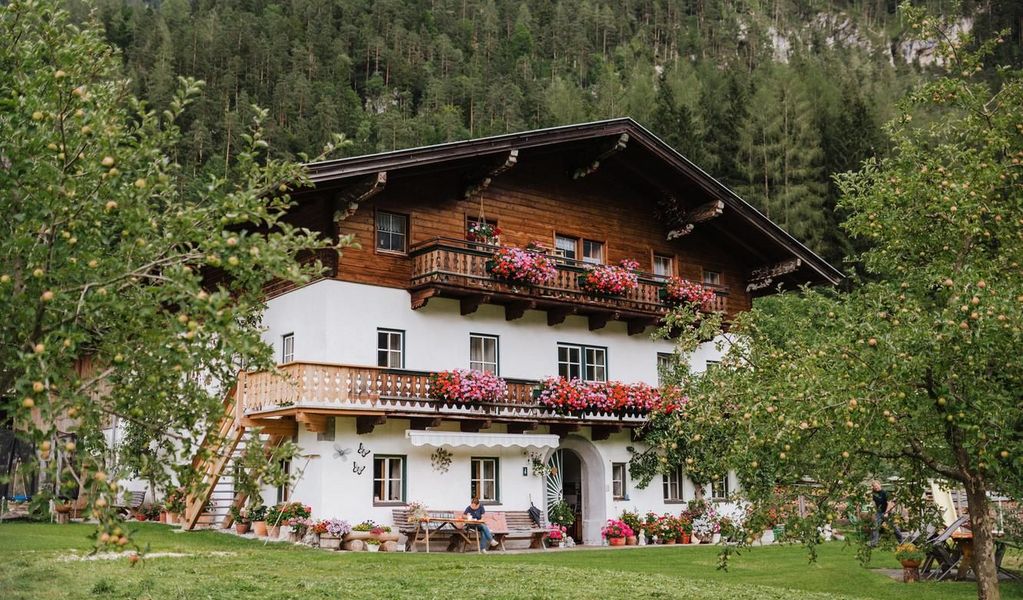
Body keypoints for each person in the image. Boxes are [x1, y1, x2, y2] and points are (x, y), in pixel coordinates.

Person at [869, 480, 903, 547]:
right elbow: (875, 503)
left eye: (876, 486)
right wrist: (875, 511)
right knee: (875, 527)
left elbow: (889, 503)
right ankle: (874, 543)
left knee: (894, 527)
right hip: (879, 513)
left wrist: (887, 513)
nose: (876, 487)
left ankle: (901, 541)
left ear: (880, 484)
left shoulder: (885, 493)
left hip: (888, 512)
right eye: (874, 486)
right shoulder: (874, 494)